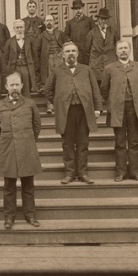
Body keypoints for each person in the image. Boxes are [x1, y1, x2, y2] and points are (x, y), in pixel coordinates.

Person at [0, 72, 42, 230]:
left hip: (27, 148)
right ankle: (9, 217)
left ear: (22, 86)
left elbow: (37, 126)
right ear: (6, 87)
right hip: (8, 148)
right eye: (11, 85)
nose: (14, 88)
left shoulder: (30, 104)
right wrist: (3, 144)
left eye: (17, 84)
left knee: (28, 185)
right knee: (9, 186)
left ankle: (30, 215)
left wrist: (28, 141)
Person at [45, 42, 102, 185]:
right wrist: (59, 103)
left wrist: (96, 109)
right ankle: (70, 173)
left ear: (77, 54)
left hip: (84, 111)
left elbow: (95, 90)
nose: (70, 53)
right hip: (66, 112)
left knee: (83, 143)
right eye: (67, 51)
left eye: (73, 51)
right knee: (67, 143)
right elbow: (48, 90)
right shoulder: (57, 71)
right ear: (63, 55)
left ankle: (82, 173)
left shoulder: (87, 70)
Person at [100, 40, 138, 182]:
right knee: (120, 142)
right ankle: (120, 172)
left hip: (134, 108)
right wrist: (111, 104)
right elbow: (104, 89)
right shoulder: (109, 68)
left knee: (134, 141)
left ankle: (135, 172)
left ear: (130, 50)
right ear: (116, 51)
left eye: (125, 48)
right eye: (120, 49)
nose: (123, 51)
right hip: (118, 109)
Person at [36, 14, 66, 113]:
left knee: (60, 81)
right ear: (44, 23)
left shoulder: (60, 33)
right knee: (49, 83)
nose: (49, 22)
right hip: (47, 60)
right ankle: (50, 106)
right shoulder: (41, 36)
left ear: (54, 22)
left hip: (59, 59)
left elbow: (66, 44)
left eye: (51, 20)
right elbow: (37, 50)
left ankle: (60, 105)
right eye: (47, 20)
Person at [4, 19, 39, 97]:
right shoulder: (9, 41)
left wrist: (35, 68)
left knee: (26, 89)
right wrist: (8, 68)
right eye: (17, 28)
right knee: (15, 88)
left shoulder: (30, 40)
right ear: (14, 29)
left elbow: (35, 55)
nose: (19, 29)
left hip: (26, 67)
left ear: (24, 28)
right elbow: (6, 58)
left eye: (21, 27)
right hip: (14, 68)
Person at [85, 7, 117, 86]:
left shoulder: (113, 32)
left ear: (108, 20)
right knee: (97, 89)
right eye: (102, 19)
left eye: (106, 19)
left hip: (110, 65)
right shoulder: (91, 33)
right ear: (98, 19)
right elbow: (87, 51)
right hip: (96, 67)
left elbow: (116, 47)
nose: (104, 21)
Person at [64, 0, 96, 65]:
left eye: (79, 8)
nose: (78, 11)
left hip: (87, 50)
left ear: (82, 8)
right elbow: (66, 35)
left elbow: (95, 34)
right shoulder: (70, 22)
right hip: (76, 50)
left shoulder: (89, 20)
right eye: (76, 9)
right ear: (73, 10)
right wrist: (70, 41)